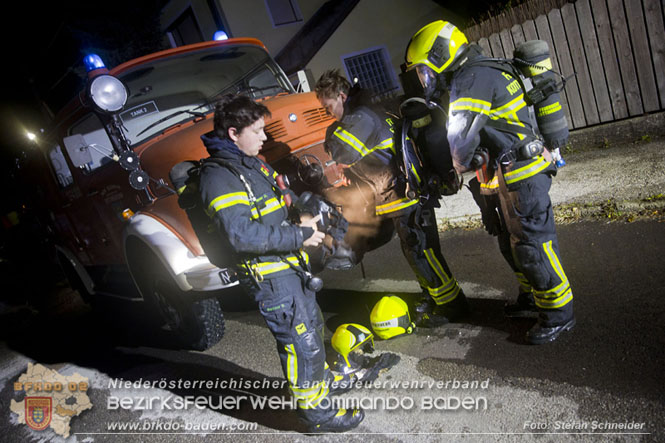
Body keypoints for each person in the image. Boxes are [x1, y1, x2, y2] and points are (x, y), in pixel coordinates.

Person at [198, 94, 364, 432]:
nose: (264, 137)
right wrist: (297, 236)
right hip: (269, 276)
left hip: (289, 265)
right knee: (299, 341)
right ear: (233, 133)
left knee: (312, 328)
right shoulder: (219, 177)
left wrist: (313, 214)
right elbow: (240, 235)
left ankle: (320, 386)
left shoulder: (251, 163)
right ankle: (315, 413)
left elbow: (281, 204)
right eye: (257, 131)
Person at [404, 20, 575, 344]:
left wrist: (454, 166)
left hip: (522, 174)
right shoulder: (484, 69)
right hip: (508, 172)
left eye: (425, 68)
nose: (425, 77)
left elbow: (461, 135)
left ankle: (558, 314)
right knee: (511, 242)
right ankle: (533, 296)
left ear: (440, 54)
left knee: (533, 244)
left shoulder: (471, 78)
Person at [314, 69, 469, 326]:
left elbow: (342, 152)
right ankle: (434, 295)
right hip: (398, 195)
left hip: (406, 194)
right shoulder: (365, 113)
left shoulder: (360, 118)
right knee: (415, 250)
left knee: (423, 250)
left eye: (328, 106)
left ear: (341, 96)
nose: (328, 112)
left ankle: (452, 305)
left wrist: (331, 134)